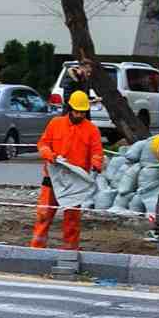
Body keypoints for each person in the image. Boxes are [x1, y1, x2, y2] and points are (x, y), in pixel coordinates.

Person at [30, 90, 104, 250]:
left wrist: (96, 164)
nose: (79, 114)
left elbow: (97, 152)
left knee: (72, 220)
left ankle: (70, 251)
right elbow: (42, 144)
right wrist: (50, 155)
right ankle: (36, 249)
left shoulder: (92, 130)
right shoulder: (55, 123)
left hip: (74, 184)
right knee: (43, 216)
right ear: (70, 108)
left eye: (83, 112)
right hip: (52, 179)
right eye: (77, 111)